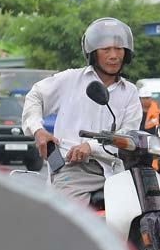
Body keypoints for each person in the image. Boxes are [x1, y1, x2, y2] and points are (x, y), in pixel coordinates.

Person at [22, 18, 142, 202]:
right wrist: (38, 130)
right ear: (93, 53)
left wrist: (91, 147)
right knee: (70, 216)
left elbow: (128, 136)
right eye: (106, 49)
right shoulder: (70, 80)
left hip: (115, 171)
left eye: (119, 49)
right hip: (72, 169)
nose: (114, 55)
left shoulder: (130, 92)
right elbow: (35, 96)